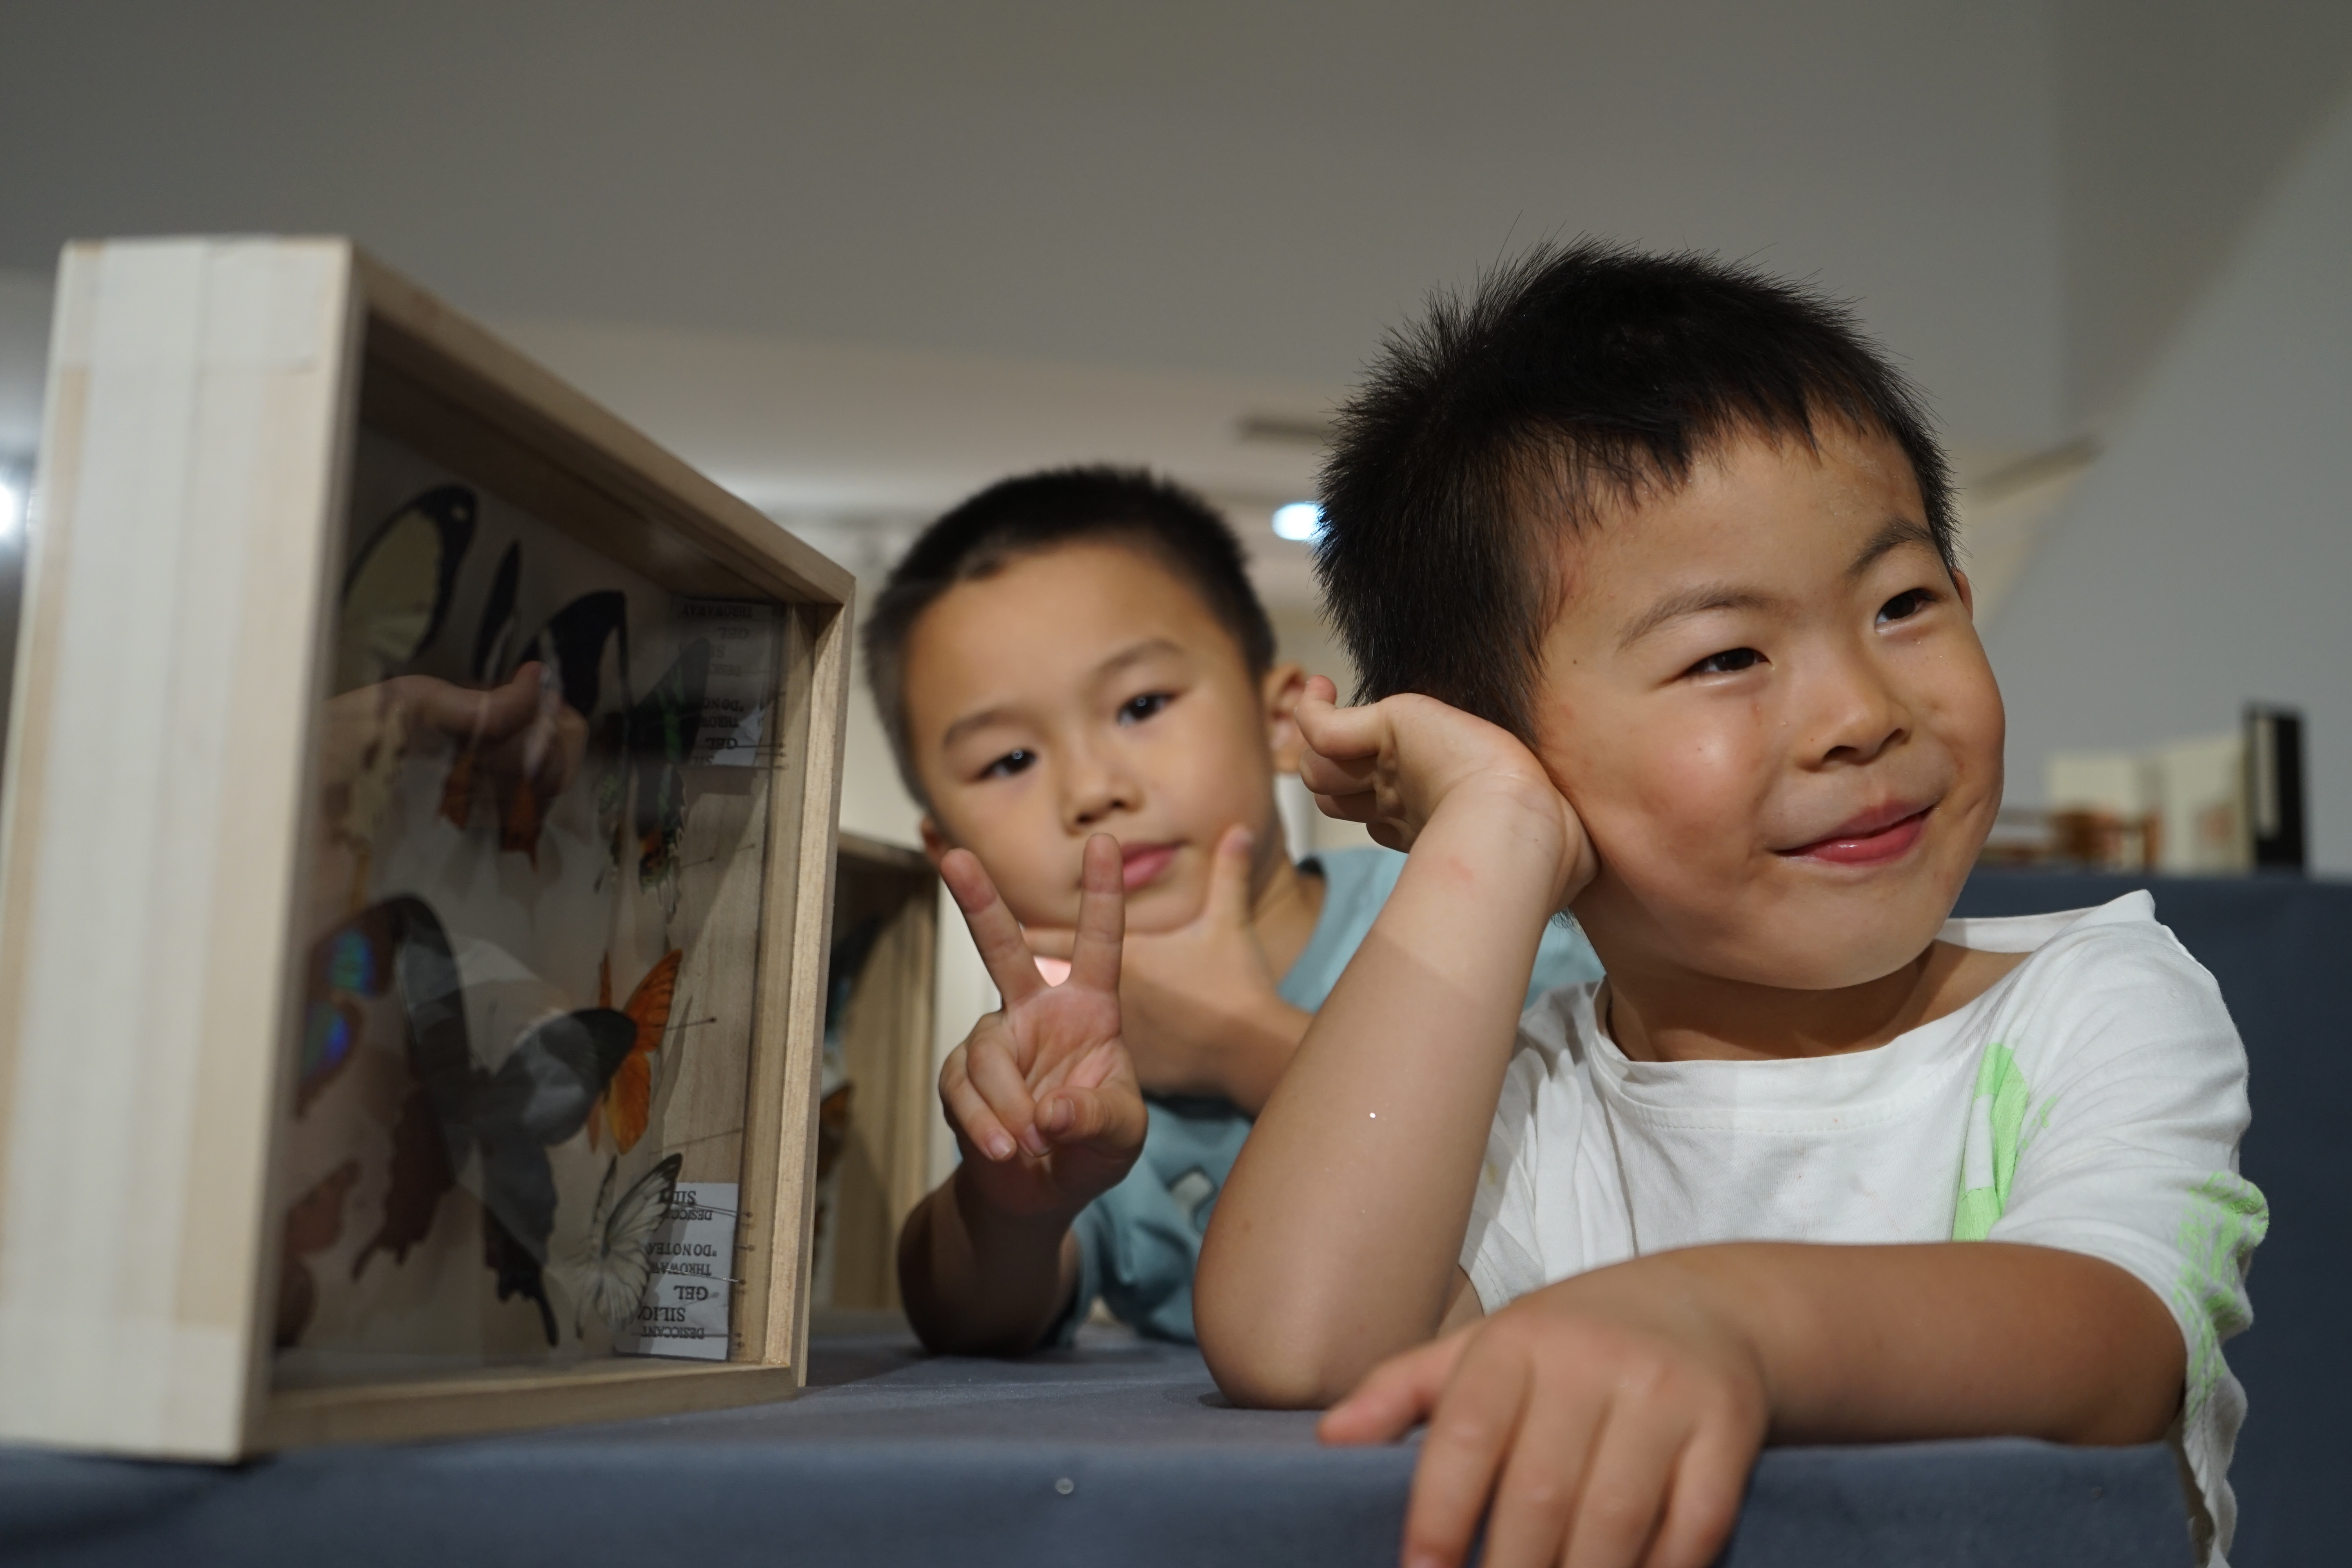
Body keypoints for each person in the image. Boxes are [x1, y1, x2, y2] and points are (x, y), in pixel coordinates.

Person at [1176, 243, 2263, 1568]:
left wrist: (1723, 1318)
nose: (1862, 712)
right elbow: (1297, 1344)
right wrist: (1496, 829)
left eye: (1903, 604)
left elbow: (2113, 1348)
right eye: (1728, 655)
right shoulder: (1530, 1107)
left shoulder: (2096, 1003)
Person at [867, 468, 1603, 1354]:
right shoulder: (1069, 1046)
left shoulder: (1476, 919)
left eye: (1142, 705)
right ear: (946, 842)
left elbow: (1579, 1198)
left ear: (1281, 719)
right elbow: (973, 1316)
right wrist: (1010, 1201)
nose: (1093, 789)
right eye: (1010, 760)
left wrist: (1238, 1040)